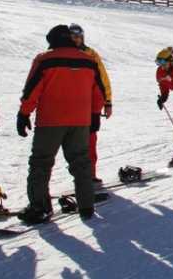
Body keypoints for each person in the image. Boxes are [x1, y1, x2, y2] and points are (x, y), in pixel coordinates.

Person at [17, 25, 105, 223]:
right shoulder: (89, 61)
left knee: (41, 162)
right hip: (80, 121)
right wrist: (95, 114)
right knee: (81, 162)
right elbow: (98, 91)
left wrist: (24, 114)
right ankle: (86, 204)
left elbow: (32, 90)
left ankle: (39, 207)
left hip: (51, 120)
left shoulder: (45, 59)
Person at [68, 24, 112, 183]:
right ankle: (78, 176)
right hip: (67, 107)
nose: (76, 40)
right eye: (72, 37)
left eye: (78, 37)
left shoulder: (91, 54)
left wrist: (107, 102)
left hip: (89, 107)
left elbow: (103, 80)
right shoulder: (61, 54)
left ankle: (90, 176)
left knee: (90, 142)